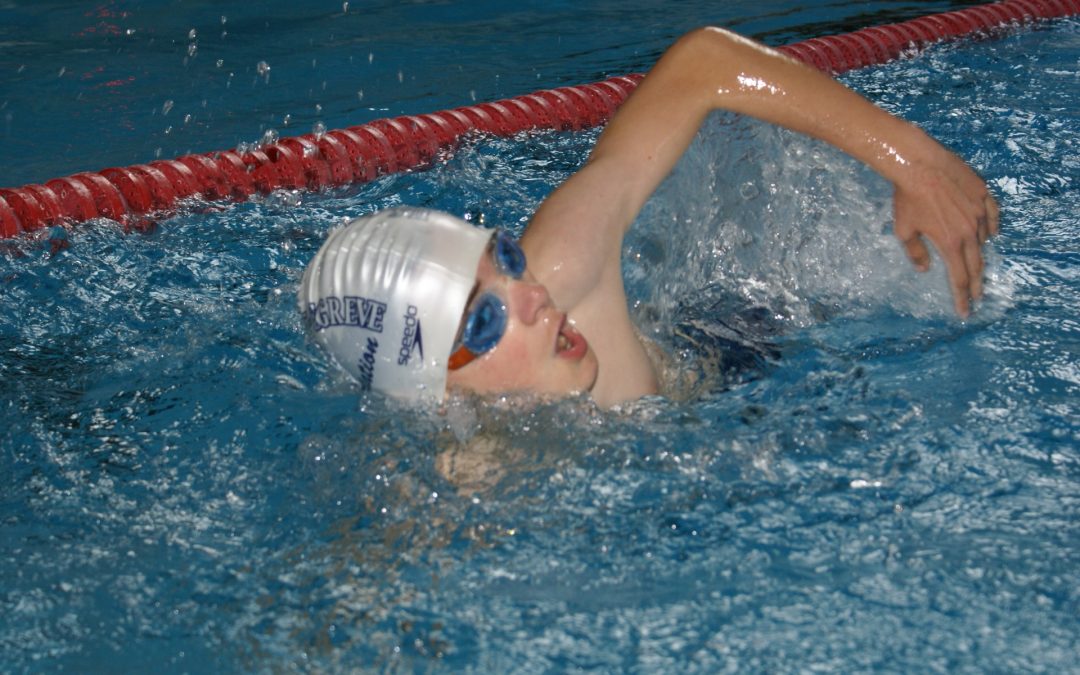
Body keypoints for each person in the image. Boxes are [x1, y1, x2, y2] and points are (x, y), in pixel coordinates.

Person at [299, 26, 998, 408]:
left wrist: (910, 160)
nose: (533, 293)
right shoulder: (471, 487)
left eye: (505, 259)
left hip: (745, 349)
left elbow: (703, 64)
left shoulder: (567, 265)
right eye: (484, 319)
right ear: (431, 390)